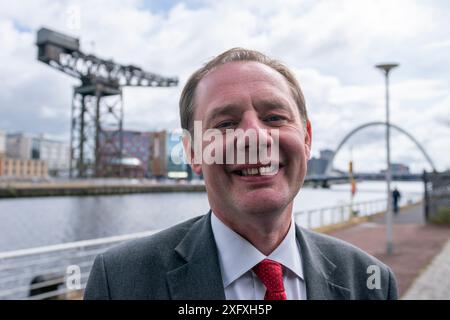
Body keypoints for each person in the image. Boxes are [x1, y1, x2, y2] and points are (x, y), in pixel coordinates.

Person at [84, 48, 398, 300]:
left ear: (307, 139)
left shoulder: (370, 283)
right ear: (193, 152)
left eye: (274, 117)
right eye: (225, 123)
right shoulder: (119, 282)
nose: (254, 137)